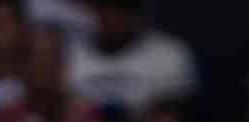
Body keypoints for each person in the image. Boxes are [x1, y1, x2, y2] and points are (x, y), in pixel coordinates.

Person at [64, 0, 197, 114]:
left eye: (122, 7)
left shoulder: (168, 55)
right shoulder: (67, 53)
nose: (113, 17)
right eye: (105, 7)